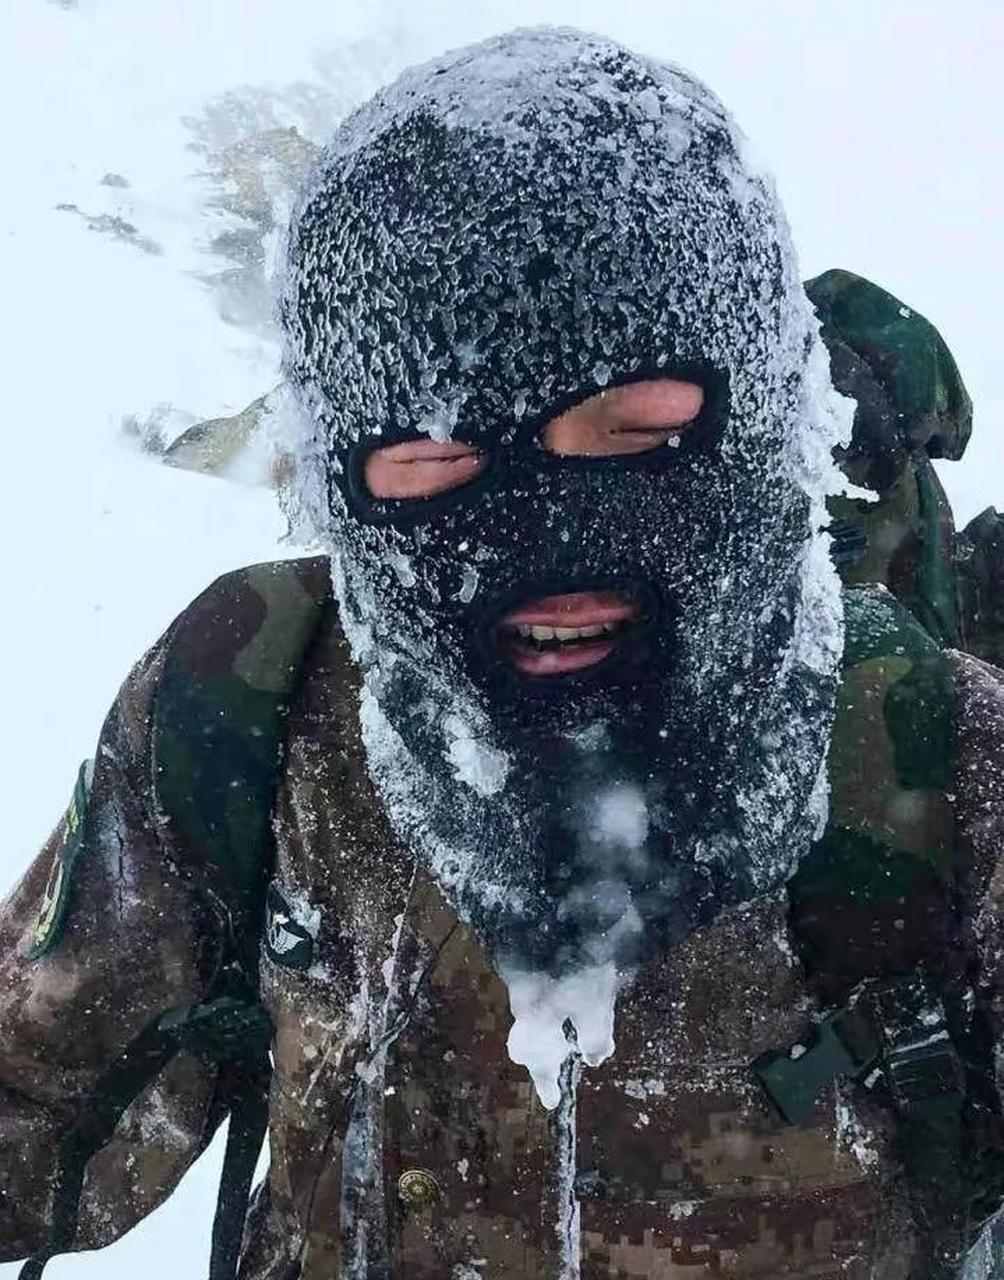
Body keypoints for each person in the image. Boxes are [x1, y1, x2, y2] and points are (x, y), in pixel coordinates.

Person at [2, 27, 1003, 1280]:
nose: (543, 547)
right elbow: (31, 1107)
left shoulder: (943, 770)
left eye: (633, 432)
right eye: (431, 462)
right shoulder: (250, 700)